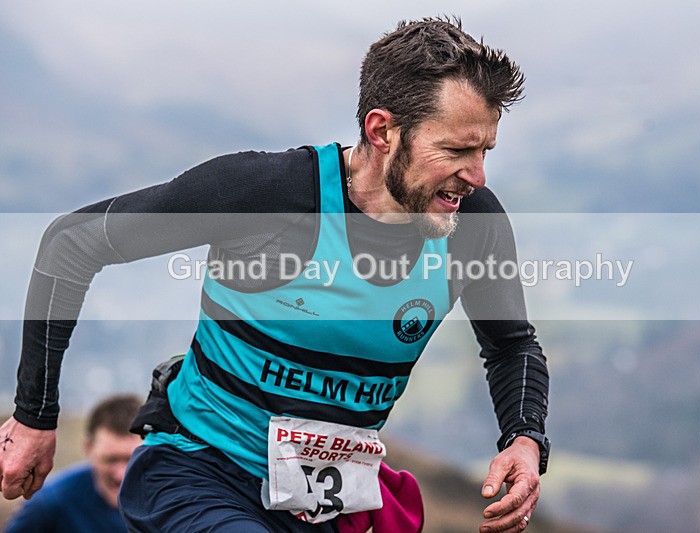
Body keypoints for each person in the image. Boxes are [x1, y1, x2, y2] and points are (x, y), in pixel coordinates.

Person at [0, 17, 550, 533]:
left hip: (327, 505)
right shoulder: (267, 196)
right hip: (199, 472)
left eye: (485, 150)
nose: (477, 175)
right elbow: (72, 243)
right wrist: (34, 417)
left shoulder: (474, 223)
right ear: (382, 131)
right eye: (456, 149)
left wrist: (524, 439)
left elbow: (511, 346)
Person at [3, 394, 142, 533]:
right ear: (88, 448)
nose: (121, 474)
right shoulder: (49, 504)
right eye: (110, 460)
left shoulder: (162, 502)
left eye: (132, 460)